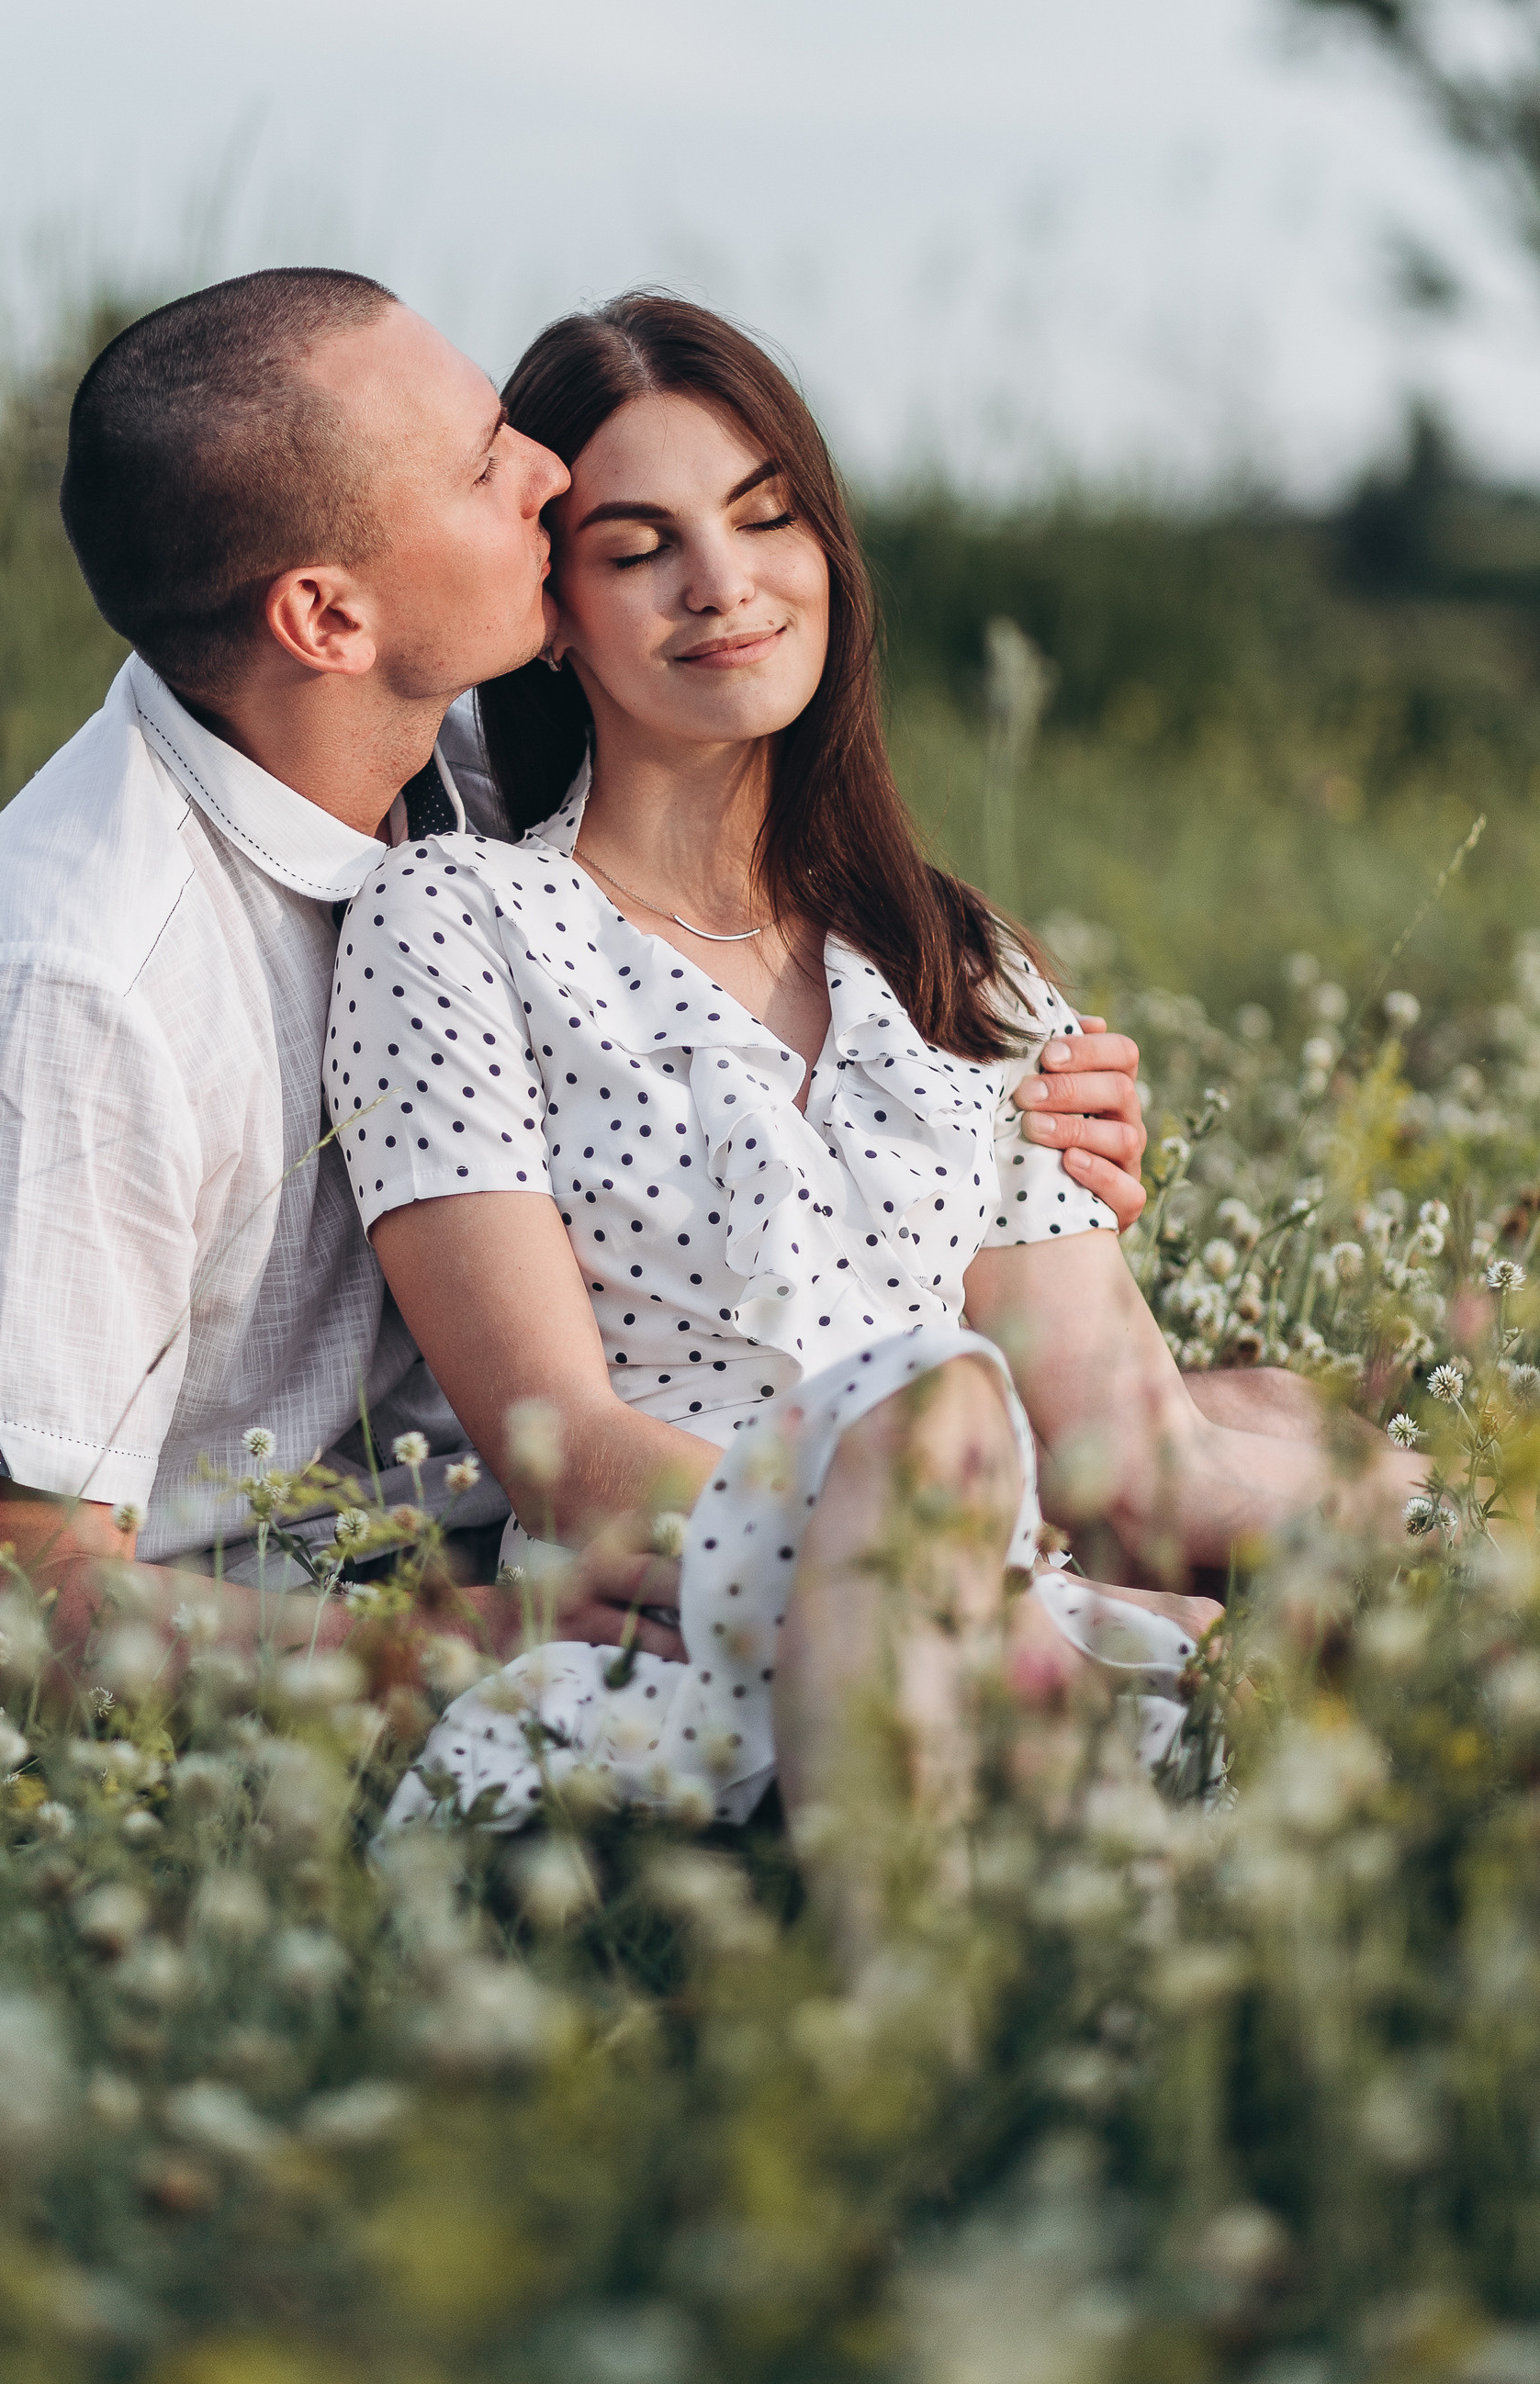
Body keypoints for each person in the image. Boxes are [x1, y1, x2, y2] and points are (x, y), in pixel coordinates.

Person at [0, 270, 1152, 1685]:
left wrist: (995, 1120)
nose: (545, 469)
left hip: (595, 1537)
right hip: (312, 1670)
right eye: (484, 467)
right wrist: (426, 1653)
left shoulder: (455, 765)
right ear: (328, 623)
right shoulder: (69, 986)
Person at [326, 293, 1410, 1839]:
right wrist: (915, 1563)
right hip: (679, 1666)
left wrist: (1452, 1544)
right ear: (553, 609)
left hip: (1010, 1625)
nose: (724, 586)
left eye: (767, 521)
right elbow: (563, 1450)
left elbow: (1129, 1456)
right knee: (936, 1412)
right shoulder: (460, 918)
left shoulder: (955, 958)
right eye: (639, 549)